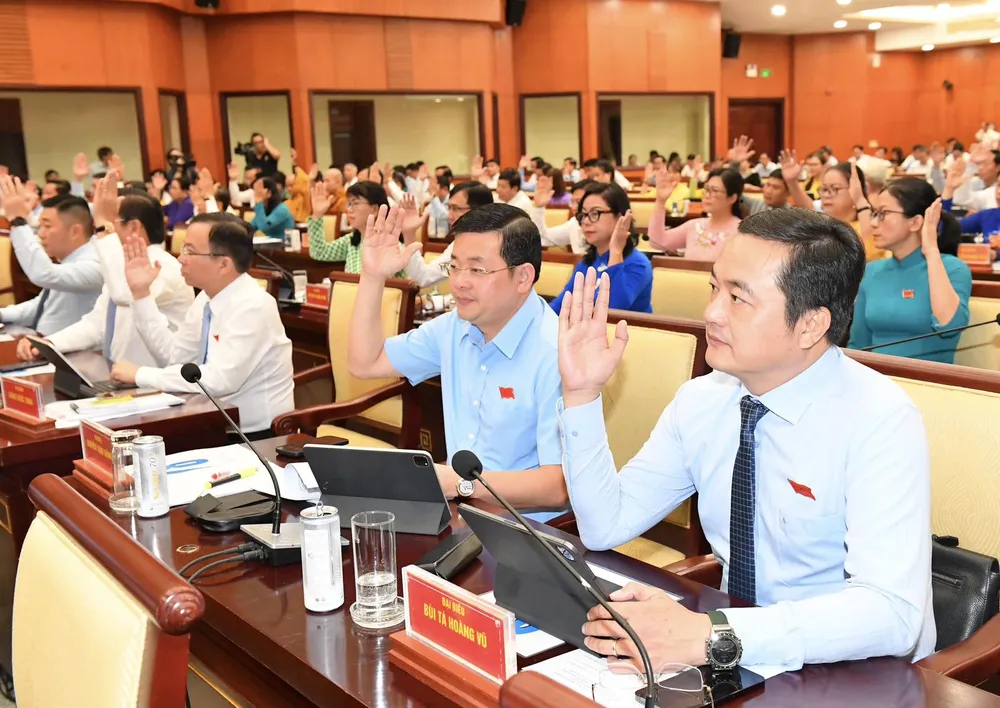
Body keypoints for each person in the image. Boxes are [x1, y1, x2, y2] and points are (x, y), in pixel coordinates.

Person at [558, 208, 935, 673]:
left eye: (738, 298)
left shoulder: (879, 419)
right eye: (714, 288)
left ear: (810, 325)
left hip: (851, 668)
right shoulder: (702, 400)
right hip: (735, 647)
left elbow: (893, 614)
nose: (711, 313)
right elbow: (604, 525)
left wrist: (713, 633)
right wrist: (581, 395)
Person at [347, 203, 566, 520]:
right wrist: (373, 276)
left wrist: (461, 485)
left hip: (526, 530)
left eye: (477, 270)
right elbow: (365, 363)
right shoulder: (455, 326)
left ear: (523, 277)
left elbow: (558, 487)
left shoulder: (556, 351)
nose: (459, 282)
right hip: (459, 513)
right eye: (454, 266)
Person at [110, 213, 294, 436]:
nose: (180, 258)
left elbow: (219, 380)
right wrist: (141, 293)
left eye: (190, 250)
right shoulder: (206, 298)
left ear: (223, 264)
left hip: (256, 436)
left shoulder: (253, 306)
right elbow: (173, 357)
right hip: (210, 422)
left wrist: (141, 375)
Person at [38, 178, 195, 366]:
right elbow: (97, 325)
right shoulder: (119, 265)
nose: (99, 232)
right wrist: (49, 343)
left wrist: (103, 226)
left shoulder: (162, 265)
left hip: (156, 378)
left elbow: (124, 294)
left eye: (111, 222)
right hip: (117, 375)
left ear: (134, 227)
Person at [849, 179, 970, 364]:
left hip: (928, 380)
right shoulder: (871, 272)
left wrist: (931, 250)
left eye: (883, 213)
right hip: (876, 379)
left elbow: (950, 326)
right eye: (874, 213)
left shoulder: (953, 269)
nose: (873, 223)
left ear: (915, 222)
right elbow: (858, 345)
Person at [0, 181, 102, 336]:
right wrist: (3, 314)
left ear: (75, 232)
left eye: (47, 226)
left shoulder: (96, 263)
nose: (40, 234)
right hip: (39, 340)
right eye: (40, 226)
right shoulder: (70, 259)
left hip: (65, 348)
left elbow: (44, 274)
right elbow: (43, 305)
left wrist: (17, 221)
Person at [549, 183, 651, 314]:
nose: (586, 221)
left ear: (621, 217)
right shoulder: (588, 262)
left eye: (595, 213)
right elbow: (561, 305)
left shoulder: (638, 264)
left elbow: (611, 311)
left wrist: (616, 252)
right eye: (583, 214)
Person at [784, 153, 883, 262]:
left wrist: (859, 200)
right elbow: (808, 205)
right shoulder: (821, 222)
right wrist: (791, 182)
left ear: (855, 190)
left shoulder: (870, 226)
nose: (826, 195)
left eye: (835, 188)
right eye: (824, 189)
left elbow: (869, 256)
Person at [307, 180, 405, 275]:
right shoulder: (352, 241)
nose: (349, 209)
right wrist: (317, 215)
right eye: (349, 204)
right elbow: (319, 252)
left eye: (355, 203)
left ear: (375, 209)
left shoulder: (391, 246)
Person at [405, 182, 493, 288]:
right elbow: (424, 278)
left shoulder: (500, 244)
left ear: (479, 211)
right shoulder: (458, 245)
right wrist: (409, 233)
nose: (449, 216)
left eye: (455, 208)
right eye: (449, 207)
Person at [648, 168, 742, 261]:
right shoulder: (695, 226)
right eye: (706, 189)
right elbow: (657, 242)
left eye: (714, 191)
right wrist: (660, 201)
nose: (707, 195)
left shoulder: (741, 232)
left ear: (732, 198)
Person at [530, 179, 595, 255]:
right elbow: (543, 238)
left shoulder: (605, 226)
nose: (574, 207)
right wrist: (538, 207)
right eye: (572, 202)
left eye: (579, 202)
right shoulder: (574, 223)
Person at [283, 148, 311, 222]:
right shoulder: (285, 204)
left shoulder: (305, 200)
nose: (289, 189)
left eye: (292, 185)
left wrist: (295, 165)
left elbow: (304, 180)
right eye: (287, 186)